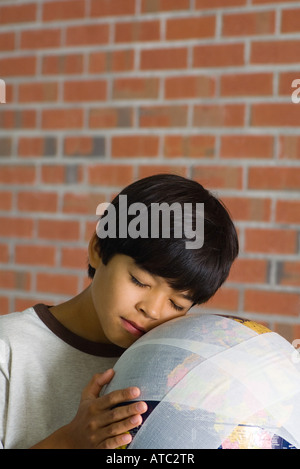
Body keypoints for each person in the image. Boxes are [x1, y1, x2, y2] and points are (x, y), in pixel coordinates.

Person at [0, 174, 239, 449]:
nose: (151, 310)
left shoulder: (177, 372)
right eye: (140, 281)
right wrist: (68, 443)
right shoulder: (9, 350)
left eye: (177, 305)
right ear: (97, 249)